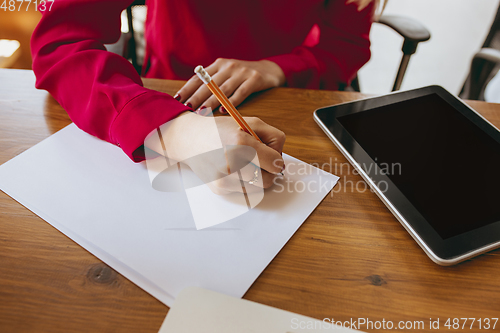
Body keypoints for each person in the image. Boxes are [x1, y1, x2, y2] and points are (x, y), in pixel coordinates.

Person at [31, 0, 379, 194]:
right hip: (171, 92)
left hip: (284, 101)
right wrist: (176, 132)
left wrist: (278, 68)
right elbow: (60, 44)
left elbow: (345, 47)